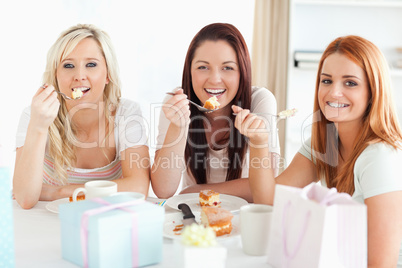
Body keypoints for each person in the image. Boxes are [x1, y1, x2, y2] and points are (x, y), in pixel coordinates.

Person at [250, 35, 402, 266]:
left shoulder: (380, 157)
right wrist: (258, 141)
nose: (333, 93)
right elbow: (269, 200)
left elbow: (382, 264)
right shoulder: (325, 141)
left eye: (350, 83)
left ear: (373, 92)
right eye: (327, 81)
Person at [13, 24, 150, 209]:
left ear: (108, 74)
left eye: (91, 65)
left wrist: (56, 192)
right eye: (68, 65)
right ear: (56, 75)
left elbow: (138, 188)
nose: (79, 75)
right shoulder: (34, 115)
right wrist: (38, 126)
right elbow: (26, 198)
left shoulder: (127, 113)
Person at [151, 23, 281, 201]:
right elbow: (163, 190)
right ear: (189, 71)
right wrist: (177, 126)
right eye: (203, 67)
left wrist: (195, 190)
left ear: (242, 72)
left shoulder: (260, 100)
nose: (214, 79)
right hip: (195, 217)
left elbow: (268, 184)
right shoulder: (177, 103)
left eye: (227, 68)